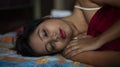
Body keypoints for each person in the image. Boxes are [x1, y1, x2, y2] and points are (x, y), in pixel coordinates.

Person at [15, 0, 120, 67]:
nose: (54, 38)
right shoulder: (72, 50)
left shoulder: (87, 2)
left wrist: (99, 40)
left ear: (46, 18)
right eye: (51, 46)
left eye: (45, 33)